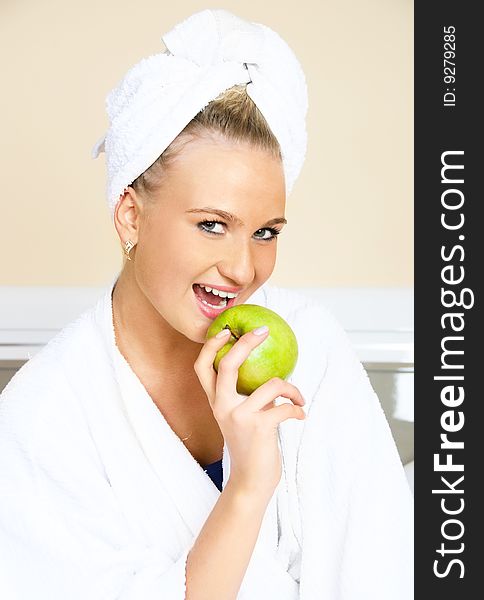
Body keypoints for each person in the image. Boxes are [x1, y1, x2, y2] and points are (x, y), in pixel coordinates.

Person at [0, 9, 413, 600]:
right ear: (130, 214)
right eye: (213, 224)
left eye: (266, 232)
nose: (244, 269)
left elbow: (378, 570)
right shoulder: (44, 422)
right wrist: (249, 486)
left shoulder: (310, 347)